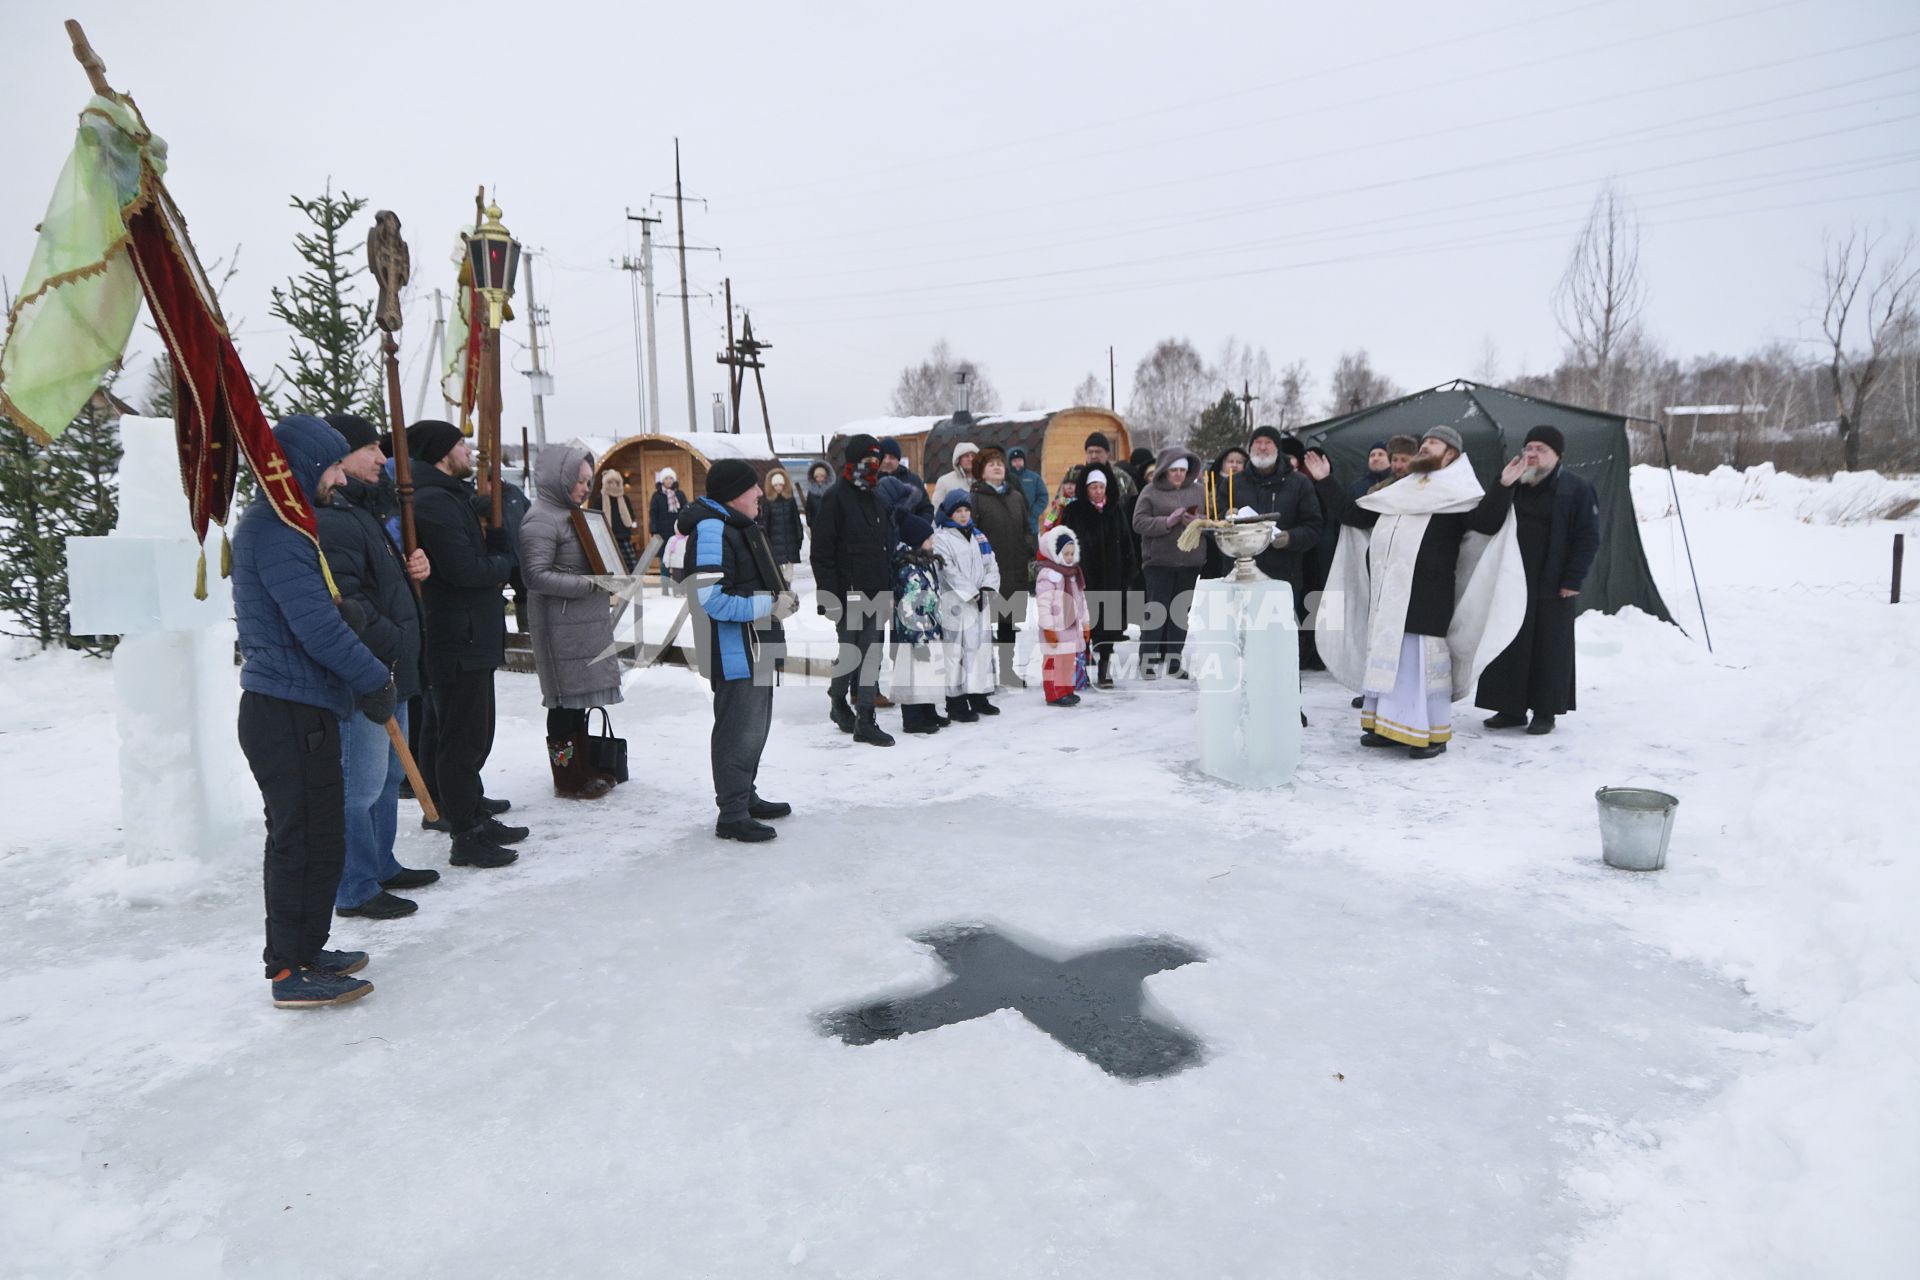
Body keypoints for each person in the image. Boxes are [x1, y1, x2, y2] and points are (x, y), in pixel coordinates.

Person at [232, 414, 393, 1008]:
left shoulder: (288, 527)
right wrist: (375, 678)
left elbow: (319, 613)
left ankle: (306, 951)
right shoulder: (274, 532)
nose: (340, 480)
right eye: (330, 467)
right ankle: (287, 971)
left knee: (321, 836)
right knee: (300, 840)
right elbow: (316, 629)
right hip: (285, 710)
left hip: (305, 705)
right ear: (299, 469)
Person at [1308, 426, 1526, 760]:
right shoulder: (1400, 490)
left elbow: (1487, 523)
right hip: (1388, 595)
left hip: (1427, 597)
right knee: (1391, 666)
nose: (1424, 448)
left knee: (1419, 668)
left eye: (1432, 444)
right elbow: (1353, 515)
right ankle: (1387, 728)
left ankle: (1431, 735)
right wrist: (1325, 480)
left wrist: (1504, 484)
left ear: (1450, 453)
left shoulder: (1458, 493)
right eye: (1422, 444)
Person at [316, 413, 436, 923]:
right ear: (338, 458)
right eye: (371, 449)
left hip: (391, 666)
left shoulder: (363, 512)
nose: (383, 459)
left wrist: (414, 571)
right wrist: (394, 637)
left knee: (387, 776)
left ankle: (380, 864)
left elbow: (380, 582)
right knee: (359, 784)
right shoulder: (333, 520)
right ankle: (355, 884)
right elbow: (348, 600)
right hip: (368, 669)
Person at [408, 420, 527, 864]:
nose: (469, 451)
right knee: (461, 739)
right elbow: (464, 571)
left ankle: (472, 808)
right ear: (441, 452)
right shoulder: (434, 502)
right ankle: (465, 833)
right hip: (457, 632)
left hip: (470, 630)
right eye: (461, 444)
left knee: (472, 734)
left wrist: (492, 531)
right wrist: (501, 560)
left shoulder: (448, 496)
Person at [678, 459, 797, 842]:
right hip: (735, 651)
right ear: (733, 494)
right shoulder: (712, 529)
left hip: (755, 645)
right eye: (753, 488)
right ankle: (731, 813)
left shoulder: (735, 525)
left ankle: (745, 796)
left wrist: (780, 598)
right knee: (737, 731)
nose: (760, 493)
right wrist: (768, 605)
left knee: (754, 729)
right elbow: (712, 598)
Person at [1475, 425, 1601, 736]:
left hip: (1553, 581)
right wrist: (1501, 485)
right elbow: (1484, 523)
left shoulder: (1576, 488)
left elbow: (1588, 537)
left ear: (1557, 456)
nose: (1532, 454)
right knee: (1509, 642)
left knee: (1549, 647)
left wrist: (1573, 578)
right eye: (1528, 447)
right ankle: (1509, 708)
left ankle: (1545, 711)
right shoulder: (1512, 483)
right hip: (1510, 578)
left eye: (1540, 449)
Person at [517, 442, 623, 800]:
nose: (584, 488)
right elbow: (534, 576)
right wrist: (591, 584)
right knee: (563, 704)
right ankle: (567, 776)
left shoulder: (570, 514)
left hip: (579, 625)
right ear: (558, 477)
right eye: (579, 480)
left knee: (576, 702)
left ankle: (584, 769)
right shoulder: (541, 519)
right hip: (558, 630)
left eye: (588, 482)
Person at [810, 434, 895, 746]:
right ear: (853, 462)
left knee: (871, 653)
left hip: (876, 591)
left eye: (877, 461)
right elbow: (821, 552)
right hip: (847, 593)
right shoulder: (835, 498)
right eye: (868, 461)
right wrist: (829, 597)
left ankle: (866, 719)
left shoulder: (876, 498)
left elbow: (883, 549)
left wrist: (888, 590)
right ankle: (837, 702)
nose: (874, 466)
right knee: (850, 654)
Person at [1131, 445, 1205, 679]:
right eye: (1174, 470)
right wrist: (1167, 521)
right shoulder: (1150, 492)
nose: (1178, 474)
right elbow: (1139, 523)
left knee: (1180, 614)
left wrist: (1199, 521)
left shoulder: (1200, 491)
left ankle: (1174, 662)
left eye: (1182, 470)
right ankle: (1147, 661)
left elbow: (1212, 520)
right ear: (1164, 470)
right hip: (1159, 562)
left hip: (1190, 562)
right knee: (1156, 612)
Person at [1062, 467, 1137, 687]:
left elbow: (1126, 541)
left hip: (1111, 579)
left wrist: (1129, 569)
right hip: (1084, 579)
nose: (1097, 491)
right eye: (1093, 487)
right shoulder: (1074, 511)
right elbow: (1064, 541)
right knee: (1084, 625)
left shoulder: (1115, 510)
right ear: (1085, 489)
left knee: (1108, 627)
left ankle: (1104, 670)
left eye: (1101, 487)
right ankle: (1081, 669)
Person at [969, 446, 1037, 688]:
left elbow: (1028, 527)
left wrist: (1027, 545)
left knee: (1008, 623)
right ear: (981, 472)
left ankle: (1008, 670)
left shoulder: (1016, 496)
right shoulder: (975, 497)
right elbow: (970, 533)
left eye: (1000, 462)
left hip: (1015, 566)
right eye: (991, 464)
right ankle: (986, 673)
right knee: (985, 624)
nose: (997, 467)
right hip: (988, 572)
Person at [932, 490, 1000, 722]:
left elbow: (991, 563)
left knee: (979, 651)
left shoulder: (979, 536)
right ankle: (956, 703)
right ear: (949, 513)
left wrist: (987, 589)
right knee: (956, 654)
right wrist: (971, 593)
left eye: (966, 510)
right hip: (956, 603)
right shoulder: (942, 537)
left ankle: (979, 695)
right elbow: (947, 569)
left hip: (980, 602)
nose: (963, 515)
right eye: (958, 511)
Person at [888, 512, 949, 735]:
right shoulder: (909, 572)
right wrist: (917, 637)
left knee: (929, 675)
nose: (932, 543)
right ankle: (912, 719)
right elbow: (908, 609)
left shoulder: (924, 565)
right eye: (928, 539)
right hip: (914, 635)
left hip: (929, 629)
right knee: (913, 676)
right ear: (915, 541)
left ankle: (928, 711)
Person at [1034, 525, 1090, 708]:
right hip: (1056, 629)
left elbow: (1081, 601)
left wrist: (1086, 624)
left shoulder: (1074, 575)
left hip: (1072, 628)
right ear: (1054, 553)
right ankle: (1053, 694)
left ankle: (1066, 690)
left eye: (1072, 553)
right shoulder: (1048, 576)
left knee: (1068, 662)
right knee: (1054, 662)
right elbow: (1043, 605)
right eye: (1065, 553)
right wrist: (1048, 628)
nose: (1069, 557)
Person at [1200, 447, 1251, 580]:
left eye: (1239, 462)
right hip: (1213, 540)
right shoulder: (1211, 484)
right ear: (1222, 463)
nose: (1234, 465)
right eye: (1231, 461)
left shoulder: (1249, 485)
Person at [759, 467, 806, 573]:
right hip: (775, 541)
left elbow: (796, 520)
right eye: (775, 485)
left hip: (790, 539)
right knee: (777, 567)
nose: (778, 487)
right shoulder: (768, 502)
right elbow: (765, 522)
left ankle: (788, 585)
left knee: (790, 567)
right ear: (771, 486)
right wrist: (765, 539)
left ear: (784, 485)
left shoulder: (790, 500)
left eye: (780, 484)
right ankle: (783, 587)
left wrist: (799, 537)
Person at [877, 437, 934, 519]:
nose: (887, 461)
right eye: (884, 457)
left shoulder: (913, 480)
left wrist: (918, 526)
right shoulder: (873, 481)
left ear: (898, 459)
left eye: (892, 457)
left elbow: (926, 509)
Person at [597, 468, 641, 571]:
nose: (613, 485)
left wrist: (631, 527)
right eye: (610, 482)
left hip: (624, 535)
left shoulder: (624, 498)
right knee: (612, 564)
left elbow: (631, 514)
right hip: (608, 536)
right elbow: (596, 517)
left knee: (631, 563)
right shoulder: (600, 499)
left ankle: (633, 584)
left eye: (616, 482)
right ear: (605, 483)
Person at [1007, 446, 1049, 536]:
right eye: (1014, 461)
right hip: (1011, 527)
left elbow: (1043, 496)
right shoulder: (1006, 479)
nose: (1017, 463)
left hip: (1031, 526)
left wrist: (1033, 513)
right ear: (1010, 463)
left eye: (1020, 460)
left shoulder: (1034, 477)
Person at [932, 441, 980, 506]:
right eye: (966, 456)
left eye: (973, 456)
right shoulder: (944, 481)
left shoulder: (984, 480)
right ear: (958, 459)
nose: (970, 459)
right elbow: (936, 509)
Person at [649, 467, 685, 550]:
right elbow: (653, 513)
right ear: (662, 480)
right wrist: (653, 530)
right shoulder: (656, 496)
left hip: (677, 530)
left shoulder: (680, 494)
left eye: (671, 478)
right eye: (666, 478)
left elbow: (685, 511)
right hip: (662, 531)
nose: (669, 481)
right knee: (664, 558)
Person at [1041, 465, 1082, 532]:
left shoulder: (1082, 503)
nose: (1069, 487)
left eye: (1073, 484)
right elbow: (1048, 523)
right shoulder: (1059, 503)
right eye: (1066, 483)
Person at [801, 461, 834, 530]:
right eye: (817, 477)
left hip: (830, 525)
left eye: (822, 476)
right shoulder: (811, 492)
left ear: (826, 476)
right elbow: (808, 508)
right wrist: (809, 521)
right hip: (815, 524)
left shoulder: (832, 491)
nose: (820, 479)